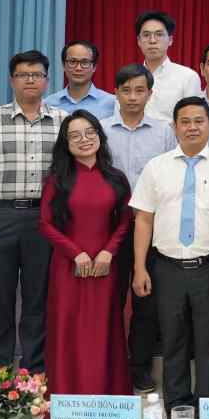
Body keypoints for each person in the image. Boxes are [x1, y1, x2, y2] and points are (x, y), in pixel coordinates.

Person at [0, 50, 67, 385]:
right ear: (12, 80)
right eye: (23, 75)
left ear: (47, 80)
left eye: (36, 74)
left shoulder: (62, 120)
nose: (30, 80)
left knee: (38, 297)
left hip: (44, 219)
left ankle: (36, 366)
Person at [129, 97, 209, 409]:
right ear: (174, 127)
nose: (192, 127)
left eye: (199, 121)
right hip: (167, 267)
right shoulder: (156, 167)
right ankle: (176, 408)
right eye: (185, 122)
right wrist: (139, 267)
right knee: (173, 341)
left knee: (208, 343)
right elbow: (144, 219)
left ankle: (208, 409)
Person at [38, 111, 132, 395]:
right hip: (68, 269)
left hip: (105, 268)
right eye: (75, 135)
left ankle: (107, 400)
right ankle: (68, 402)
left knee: (104, 332)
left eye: (89, 132)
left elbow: (126, 220)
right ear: (65, 143)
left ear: (100, 136)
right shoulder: (57, 180)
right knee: (68, 332)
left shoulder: (116, 178)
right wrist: (75, 253)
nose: (84, 139)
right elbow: (45, 223)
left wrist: (108, 253)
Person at [103, 63, 177, 393]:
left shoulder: (163, 131)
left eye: (139, 90)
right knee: (109, 299)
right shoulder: (102, 129)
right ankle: (108, 364)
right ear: (115, 92)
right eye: (125, 90)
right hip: (109, 226)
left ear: (150, 93)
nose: (132, 97)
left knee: (146, 300)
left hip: (151, 225)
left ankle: (139, 367)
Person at [135, 11, 201, 122]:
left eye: (159, 34)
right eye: (146, 35)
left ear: (170, 40)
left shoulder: (187, 77)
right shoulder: (130, 77)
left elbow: (192, 121)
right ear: (139, 41)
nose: (152, 41)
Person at [44, 41, 115, 118]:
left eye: (85, 62)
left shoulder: (112, 103)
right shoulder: (48, 104)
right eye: (72, 62)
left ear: (94, 67)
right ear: (63, 65)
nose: (78, 68)